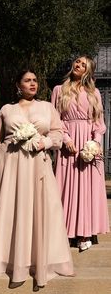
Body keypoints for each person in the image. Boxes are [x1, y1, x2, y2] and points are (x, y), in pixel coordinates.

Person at [0, 70, 74, 289]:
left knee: (40, 211)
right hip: (11, 165)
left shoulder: (47, 107)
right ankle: (13, 262)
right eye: (27, 80)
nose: (33, 84)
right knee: (13, 211)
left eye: (35, 80)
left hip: (37, 164)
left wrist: (46, 144)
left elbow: (58, 134)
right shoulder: (7, 109)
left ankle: (38, 262)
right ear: (18, 85)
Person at [51, 56, 109, 251]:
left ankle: (85, 233)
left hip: (88, 146)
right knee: (66, 187)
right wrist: (66, 140)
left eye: (84, 64)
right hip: (68, 147)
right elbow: (55, 120)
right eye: (77, 62)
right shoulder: (59, 90)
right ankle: (65, 232)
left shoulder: (94, 93)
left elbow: (99, 123)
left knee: (87, 189)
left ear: (88, 71)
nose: (78, 65)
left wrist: (94, 144)